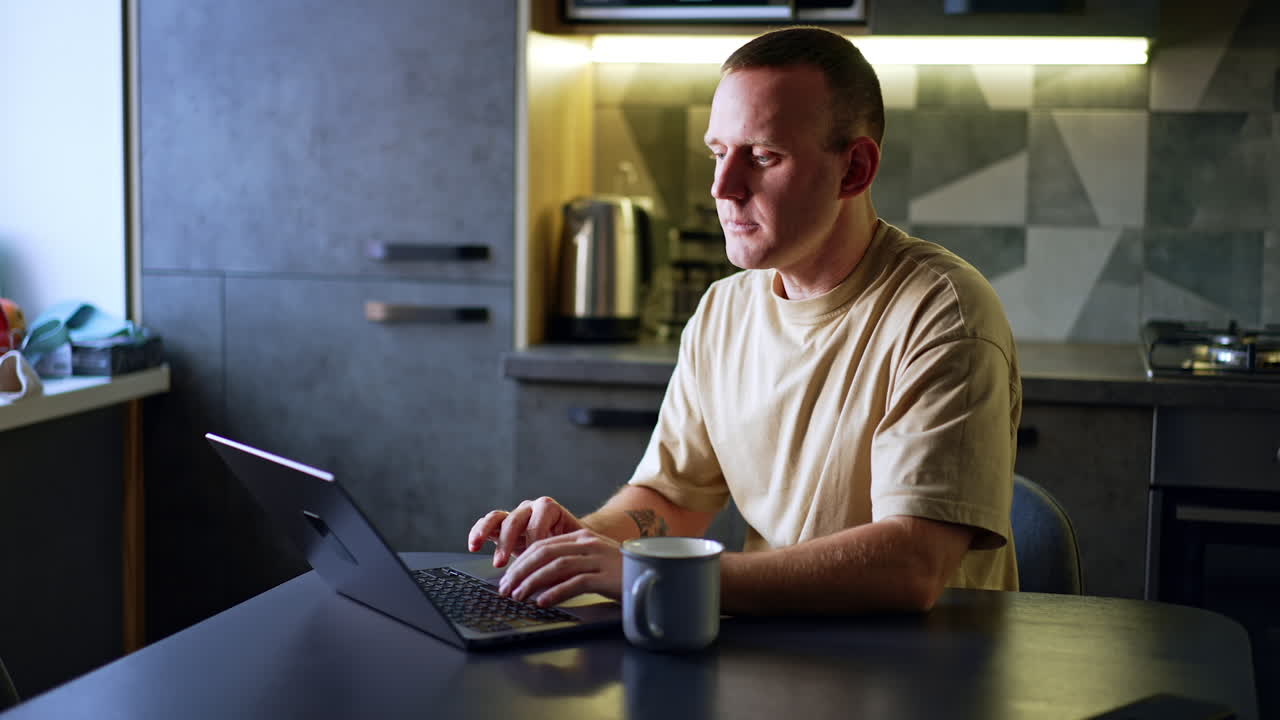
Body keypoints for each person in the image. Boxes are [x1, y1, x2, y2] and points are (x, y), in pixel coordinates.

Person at [469, 26, 1021, 615]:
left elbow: (912, 566)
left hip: (923, 662)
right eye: (718, 152)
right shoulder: (722, 311)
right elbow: (673, 499)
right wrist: (586, 541)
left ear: (854, 169)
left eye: (762, 156)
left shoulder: (943, 313)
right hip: (775, 645)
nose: (722, 187)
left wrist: (662, 575)